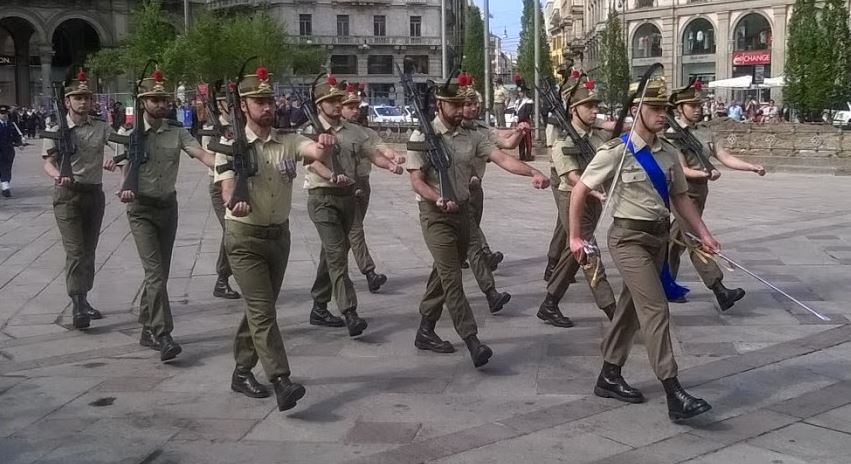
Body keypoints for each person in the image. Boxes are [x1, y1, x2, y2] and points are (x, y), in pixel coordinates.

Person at [568, 77, 719, 421]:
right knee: (655, 309)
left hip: (658, 238)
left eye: (665, 108)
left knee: (630, 310)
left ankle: (608, 375)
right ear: (637, 111)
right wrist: (575, 237)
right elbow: (579, 191)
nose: (662, 114)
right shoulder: (616, 152)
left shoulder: (668, 152)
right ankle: (673, 391)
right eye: (654, 108)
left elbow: (680, 198)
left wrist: (704, 234)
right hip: (628, 239)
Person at [405, 72, 549, 368]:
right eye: (455, 106)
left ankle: (425, 330)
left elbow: (502, 158)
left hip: (463, 212)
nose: (462, 110)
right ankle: (472, 340)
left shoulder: (472, 135)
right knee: (452, 278)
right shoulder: (422, 137)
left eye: (464, 105)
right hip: (436, 216)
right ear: (440, 105)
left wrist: (532, 173)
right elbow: (417, 182)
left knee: (442, 275)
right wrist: (437, 197)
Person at [215, 66, 335, 412]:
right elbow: (225, 189)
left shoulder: (288, 141)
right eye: (259, 102)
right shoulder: (229, 145)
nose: (268, 107)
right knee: (263, 310)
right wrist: (233, 201)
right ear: (244, 107)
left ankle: (241, 372)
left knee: (259, 308)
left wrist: (325, 145)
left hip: (278, 238)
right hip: (243, 237)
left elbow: (315, 151)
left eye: (270, 101)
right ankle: (281, 379)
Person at [114, 67, 216, 362]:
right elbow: (123, 166)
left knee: (161, 274)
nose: (161, 104)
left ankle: (147, 326)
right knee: (155, 273)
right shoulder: (129, 133)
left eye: (164, 100)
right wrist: (124, 187)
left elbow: (201, 154)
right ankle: (163, 333)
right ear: (143, 102)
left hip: (167, 208)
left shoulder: (178, 132)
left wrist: (222, 165)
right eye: (154, 100)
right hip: (141, 209)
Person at [303, 74, 403, 337]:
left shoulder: (354, 132)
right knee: (337, 255)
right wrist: (331, 175)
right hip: (322, 197)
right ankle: (350, 312)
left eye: (339, 100)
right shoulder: (308, 130)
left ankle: (319, 305)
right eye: (331, 101)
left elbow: (371, 153)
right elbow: (312, 162)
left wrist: (389, 164)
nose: (337, 105)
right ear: (319, 105)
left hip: (348, 197)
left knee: (332, 253)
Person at [664, 81, 766, 311]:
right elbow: (680, 169)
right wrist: (706, 173)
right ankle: (719, 288)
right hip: (682, 191)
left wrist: (750, 167)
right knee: (695, 239)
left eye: (699, 105)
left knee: (674, 240)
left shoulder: (704, 131)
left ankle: (665, 283)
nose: (698, 109)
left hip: (700, 192)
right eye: (692, 105)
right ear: (679, 108)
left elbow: (723, 155)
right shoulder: (672, 135)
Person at [538, 77, 617, 327]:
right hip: (571, 199)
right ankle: (613, 312)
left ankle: (549, 304)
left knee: (573, 253)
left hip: (594, 202)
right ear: (574, 110)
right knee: (589, 253)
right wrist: (593, 190)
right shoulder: (563, 142)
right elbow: (572, 177)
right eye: (588, 106)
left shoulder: (597, 139)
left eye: (596, 106)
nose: (595, 111)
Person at [41, 69, 114, 330]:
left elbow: (120, 143)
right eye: (78, 98)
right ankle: (78, 302)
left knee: (90, 251)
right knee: (76, 251)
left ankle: (84, 295)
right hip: (67, 195)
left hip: (94, 194)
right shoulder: (57, 129)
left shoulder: (101, 127)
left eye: (87, 98)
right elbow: (48, 163)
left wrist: (116, 158)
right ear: (67, 102)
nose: (83, 102)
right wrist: (58, 176)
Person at [337, 83, 404, 293]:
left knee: (348, 233)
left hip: (363, 183)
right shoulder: (333, 132)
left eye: (357, 106)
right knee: (355, 230)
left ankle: (335, 271)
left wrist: (394, 158)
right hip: (343, 185)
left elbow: (380, 148)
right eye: (350, 107)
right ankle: (369, 272)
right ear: (340, 108)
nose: (355, 110)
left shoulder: (365, 132)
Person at [200, 92, 241, 300]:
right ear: (220, 104)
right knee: (231, 230)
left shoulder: (242, 124)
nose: (233, 104)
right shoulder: (211, 129)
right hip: (219, 185)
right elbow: (208, 158)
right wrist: (228, 160)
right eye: (227, 101)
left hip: (242, 182)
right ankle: (222, 278)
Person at [0, 104, 23, 197]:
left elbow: (16, 136)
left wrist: (19, 144)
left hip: (9, 151)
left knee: (7, 168)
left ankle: (5, 184)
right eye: (1, 113)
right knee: (2, 168)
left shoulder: (11, 125)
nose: (4, 115)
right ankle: (5, 186)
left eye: (5, 113)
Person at [513, 76, 535, 161]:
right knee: (520, 139)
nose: (520, 94)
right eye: (519, 92)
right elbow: (515, 111)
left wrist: (520, 118)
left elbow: (528, 112)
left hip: (525, 121)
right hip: (519, 121)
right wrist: (515, 118)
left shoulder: (529, 101)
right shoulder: (517, 101)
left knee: (527, 139)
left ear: (524, 92)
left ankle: (528, 155)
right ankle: (521, 155)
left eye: (521, 92)